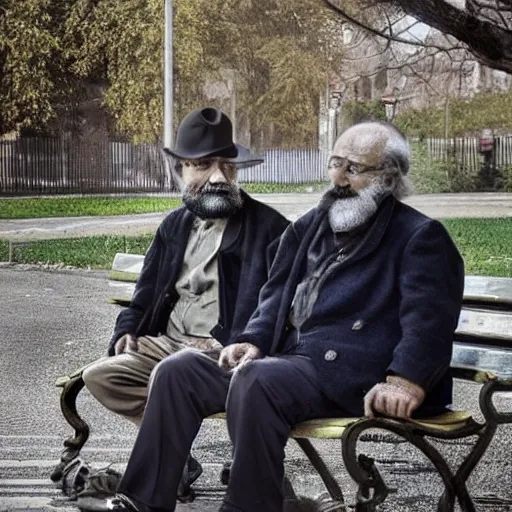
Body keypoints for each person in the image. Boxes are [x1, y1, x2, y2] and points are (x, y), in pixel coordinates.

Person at [108, 121, 465, 512]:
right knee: (179, 370)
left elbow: (429, 321)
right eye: (335, 164)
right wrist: (253, 340)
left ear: (389, 177)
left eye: (355, 168)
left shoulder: (419, 236)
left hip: (357, 375)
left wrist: (405, 381)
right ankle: (142, 502)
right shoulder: (310, 226)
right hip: (293, 365)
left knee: (258, 379)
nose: (339, 178)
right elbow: (274, 296)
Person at [81, 107, 289, 492]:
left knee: (172, 373)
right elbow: (145, 291)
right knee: (101, 376)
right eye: (204, 165)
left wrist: (237, 340)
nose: (217, 177)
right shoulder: (174, 226)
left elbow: (280, 307)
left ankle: (163, 464)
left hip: (223, 352)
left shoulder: (270, 230)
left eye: (227, 166)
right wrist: (128, 329)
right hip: (167, 344)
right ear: (180, 169)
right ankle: (176, 457)